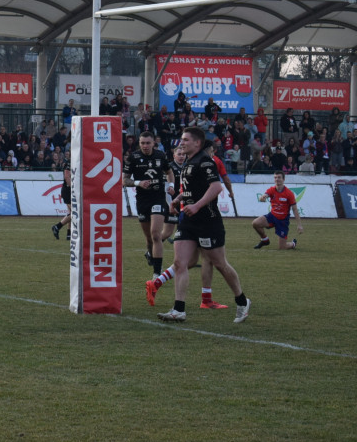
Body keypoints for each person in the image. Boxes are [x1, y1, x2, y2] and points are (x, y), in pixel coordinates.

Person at [145, 127, 250, 324]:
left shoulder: (205, 162)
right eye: (181, 139)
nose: (181, 143)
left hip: (208, 221)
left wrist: (197, 205)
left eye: (185, 140)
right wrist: (177, 200)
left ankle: (242, 301)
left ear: (197, 143)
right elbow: (192, 190)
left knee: (220, 264)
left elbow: (216, 187)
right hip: (189, 221)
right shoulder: (187, 163)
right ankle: (179, 309)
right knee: (179, 263)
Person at [123, 131, 174, 276]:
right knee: (149, 239)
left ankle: (157, 273)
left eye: (148, 143)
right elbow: (124, 180)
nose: (145, 146)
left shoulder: (160, 155)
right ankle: (150, 254)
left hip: (158, 198)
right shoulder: (133, 158)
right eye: (142, 143)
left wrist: (171, 186)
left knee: (156, 235)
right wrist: (138, 183)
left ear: (153, 143)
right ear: (139, 144)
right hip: (142, 200)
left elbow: (169, 172)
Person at [252, 171, 304, 250]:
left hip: (282, 221)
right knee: (255, 223)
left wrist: (299, 225)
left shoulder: (289, 193)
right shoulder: (272, 189)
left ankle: (293, 244)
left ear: (283, 179)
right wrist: (262, 197)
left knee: (282, 247)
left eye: (279, 177)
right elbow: (265, 195)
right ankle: (265, 240)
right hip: (272, 216)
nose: (277, 179)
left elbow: (295, 209)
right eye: (275, 177)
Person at [51, 165, 71, 240]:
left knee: (70, 214)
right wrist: (74, 187)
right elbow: (66, 177)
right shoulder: (68, 164)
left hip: (68, 191)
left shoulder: (74, 161)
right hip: (68, 191)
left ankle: (69, 234)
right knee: (74, 213)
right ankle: (57, 226)